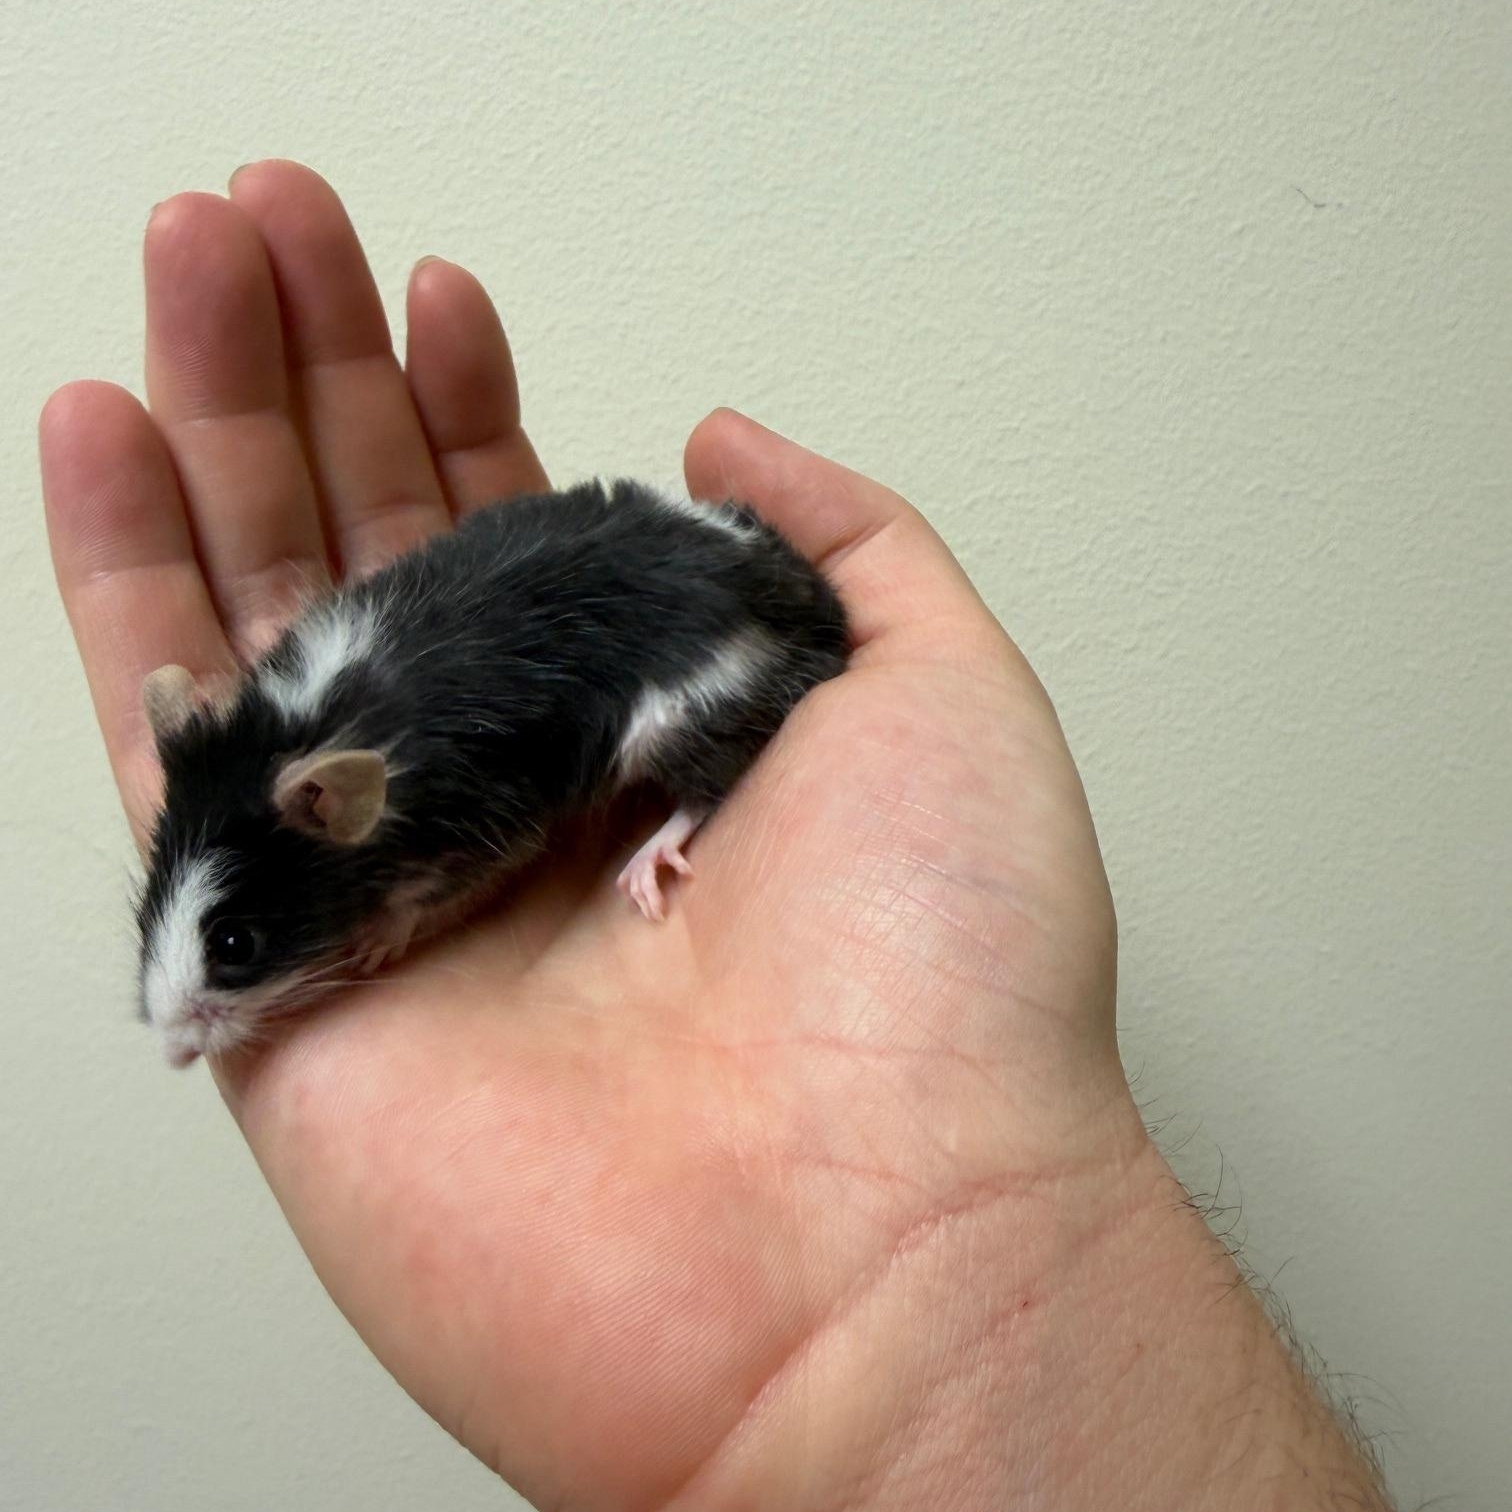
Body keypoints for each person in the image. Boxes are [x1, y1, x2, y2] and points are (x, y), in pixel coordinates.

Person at [39, 161, 1393, 1511]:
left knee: (655, 729)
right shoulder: (293, 722)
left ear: (331, 810)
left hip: (700, 633)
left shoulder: (396, 805)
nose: (188, 1032)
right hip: (609, 583)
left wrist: (416, 907)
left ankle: (697, 802)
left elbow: (512, 819)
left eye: (234, 953)